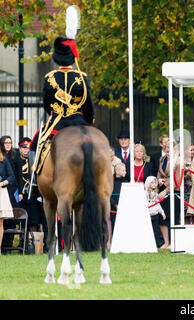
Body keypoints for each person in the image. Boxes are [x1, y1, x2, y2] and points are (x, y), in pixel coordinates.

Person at [29, 37, 95, 165]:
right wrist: (89, 120)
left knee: (34, 145)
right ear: (72, 57)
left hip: (56, 122)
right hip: (78, 121)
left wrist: (54, 113)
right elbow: (88, 105)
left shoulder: (50, 77)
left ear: (57, 57)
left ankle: (34, 181)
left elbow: (46, 104)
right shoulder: (81, 77)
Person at [157, 140, 183, 248]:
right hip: (162, 189)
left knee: (173, 217)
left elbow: (176, 181)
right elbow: (159, 173)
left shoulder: (178, 162)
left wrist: (165, 191)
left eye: (170, 152)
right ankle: (166, 242)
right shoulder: (162, 159)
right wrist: (159, 180)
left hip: (173, 192)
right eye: (166, 151)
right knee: (163, 217)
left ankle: (174, 242)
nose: (168, 154)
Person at [0, 149, 15, 255]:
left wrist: (2, 183)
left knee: (0, 222)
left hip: (1, 191)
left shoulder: (4, 160)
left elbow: (12, 177)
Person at [144, 176, 165, 248]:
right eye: (152, 182)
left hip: (155, 215)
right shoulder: (145, 193)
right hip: (149, 215)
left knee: (156, 230)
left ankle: (158, 243)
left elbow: (157, 204)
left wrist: (162, 212)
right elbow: (145, 204)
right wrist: (147, 214)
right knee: (149, 230)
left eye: (155, 182)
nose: (153, 184)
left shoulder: (155, 193)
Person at [0, 136, 20, 208]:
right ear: (2, 144)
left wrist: (20, 191)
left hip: (13, 186)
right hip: (3, 187)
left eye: (10, 143)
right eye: (6, 143)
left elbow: (18, 174)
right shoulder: (1, 156)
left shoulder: (15, 155)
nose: (8, 144)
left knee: (13, 209)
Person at [110, 162, 127, 234]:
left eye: (125, 170)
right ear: (117, 171)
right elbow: (109, 195)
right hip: (113, 208)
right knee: (114, 224)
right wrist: (115, 205)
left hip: (123, 207)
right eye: (123, 170)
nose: (125, 172)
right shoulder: (110, 181)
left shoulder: (126, 182)